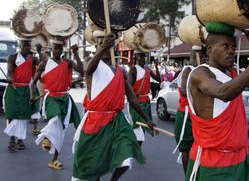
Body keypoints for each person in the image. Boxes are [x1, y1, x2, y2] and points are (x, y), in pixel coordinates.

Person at [186, 21, 249, 180]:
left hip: (241, 158)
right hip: (215, 165)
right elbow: (224, 92)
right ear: (209, 49)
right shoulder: (200, 74)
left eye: (233, 47)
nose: (231, 51)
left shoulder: (233, 74)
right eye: (225, 46)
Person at [72, 33, 157, 181]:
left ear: (114, 46)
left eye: (107, 42)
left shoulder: (121, 71)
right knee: (91, 166)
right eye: (100, 42)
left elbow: (132, 99)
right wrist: (102, 46)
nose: (104, 44)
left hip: (117, 121)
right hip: (95, 121)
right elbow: (87, 70)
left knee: (127, 154)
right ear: (97, 46)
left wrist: (147, 119)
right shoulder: (91, 64)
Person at [33, 40, 83, 170]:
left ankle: (55, 159)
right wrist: (32, 95)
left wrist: (76, 54)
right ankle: (46, 138)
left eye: (60, 49)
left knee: (61, 130)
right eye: (56, 48)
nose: (58, 51)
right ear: (51, 48)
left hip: (65, 98)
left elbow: (83, 72)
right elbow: (34, 82)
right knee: (55, 119)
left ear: (63, 49)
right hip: (51, 98)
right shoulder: (44, 63)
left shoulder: (68, 62)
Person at [173, 45, 206, 173]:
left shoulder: (203, 70)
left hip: (197, 113)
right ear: (191, 56)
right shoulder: (189, 69)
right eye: (198, 54)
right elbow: (183, 89)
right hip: (186, 113)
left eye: (203, 55)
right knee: (186, 148)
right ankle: (187, 175)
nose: (201, 57)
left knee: (197, 146)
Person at [3, 38, 39, 152]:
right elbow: (9, 72)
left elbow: (45, 66)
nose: (27, 47)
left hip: (25, 90)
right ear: (20, 45)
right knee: (11, 114)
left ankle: (20, 139)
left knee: (23, 115)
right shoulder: (12, 57)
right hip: (13, 89)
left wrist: (40, 51)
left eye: (28, 45)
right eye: (24, 45)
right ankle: (12, 139)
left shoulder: (33, 59)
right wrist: (10, 79)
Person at [128, 50, 160, 145]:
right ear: (136, 58)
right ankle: (134, 149)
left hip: (146, 103)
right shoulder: (133, 69)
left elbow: (158, 79)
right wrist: (134, 94)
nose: (143, 59)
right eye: (140, 56)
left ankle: (136, 149)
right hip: (136, 104)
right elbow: (128, 86)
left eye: (144, 56)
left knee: (143, 127)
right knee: (138, 128)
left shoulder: (147, 70)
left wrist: (157, 67)